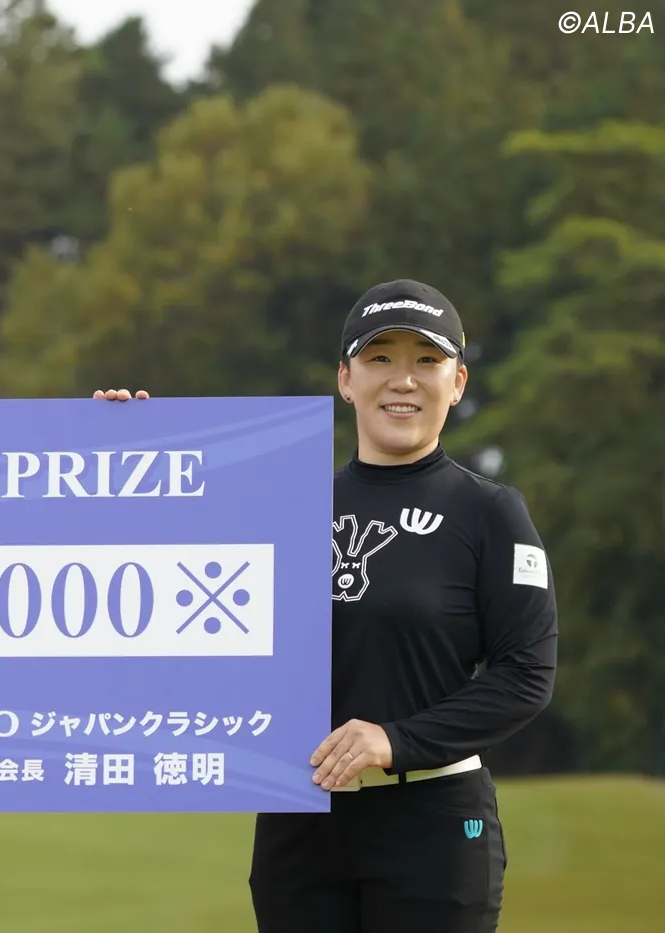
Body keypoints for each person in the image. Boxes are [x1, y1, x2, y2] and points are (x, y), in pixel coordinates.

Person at [95, 278, 558, 932]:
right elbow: (165, 584)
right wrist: (119, 456)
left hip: (433, 822)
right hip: (300, 822)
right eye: (379, 358)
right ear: (346, 379)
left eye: (427, 360)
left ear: (457, 382)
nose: (403, 379)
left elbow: (525, 675)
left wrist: (394, 739)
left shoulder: (489, 513)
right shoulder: (284, 502)